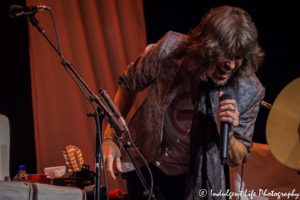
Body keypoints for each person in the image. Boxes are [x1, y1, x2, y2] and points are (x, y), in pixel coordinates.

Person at [102, 5, 265, 200]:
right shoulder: (170, 50)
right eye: (225, 55)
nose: (231, 65)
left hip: (196, 179)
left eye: (238, 57)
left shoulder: (249, 89)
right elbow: (129, 82)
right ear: (207, 46)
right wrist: (110, 136)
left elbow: (238, 156)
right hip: (147, 162)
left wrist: (228, 137)